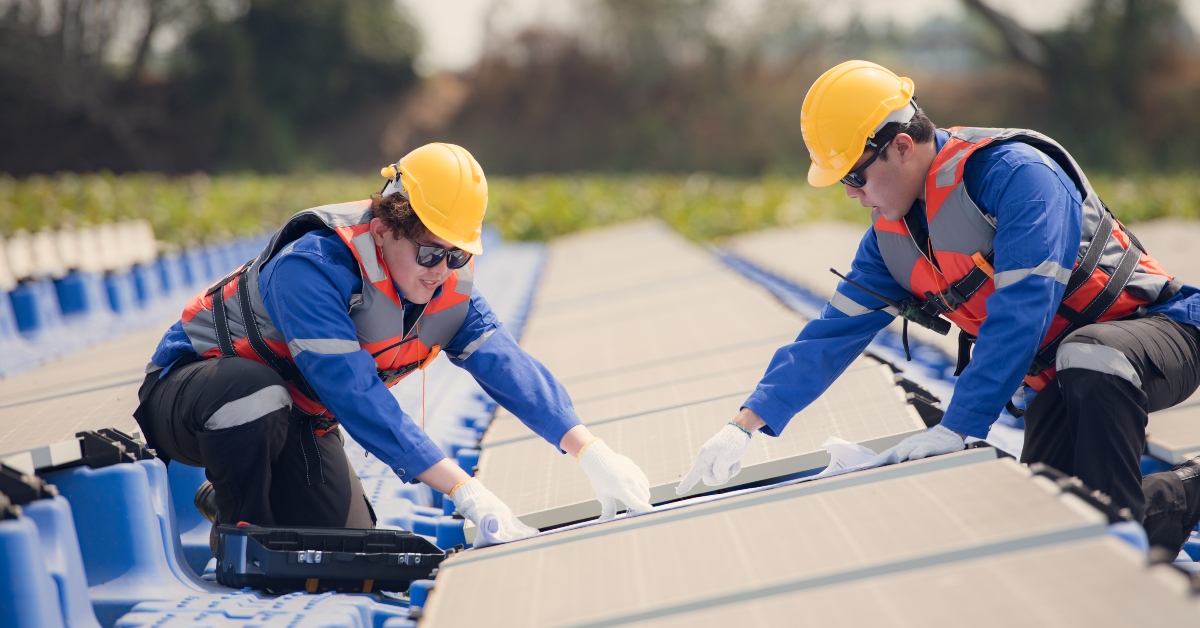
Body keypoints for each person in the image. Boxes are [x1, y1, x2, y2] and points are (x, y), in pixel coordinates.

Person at [677, 60, 1200, 553]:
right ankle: (1179, 496)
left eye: (854, 177)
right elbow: (829, 336)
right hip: (1062, 380)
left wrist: (959, 425)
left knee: (1092, 377)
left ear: (902, 146)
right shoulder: (889, 242)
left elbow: (1023, 309)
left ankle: (1120, 558)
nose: (851, 194)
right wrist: (744, 424)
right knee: (1054, 525)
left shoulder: (1018, 175)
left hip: (1155, 333)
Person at [135, 143, 652, 547]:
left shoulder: (445, 284)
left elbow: (505, 363)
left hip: (293, 417)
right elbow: (352, 392)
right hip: (192, 397)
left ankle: (235, 489)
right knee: (254, 395)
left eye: (455, 256)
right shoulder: (310, 267)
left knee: (347, 540)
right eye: (430, 254)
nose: (441, 271)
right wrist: (462, 489)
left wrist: (590, 450)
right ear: (384, 228)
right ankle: (240, 525)